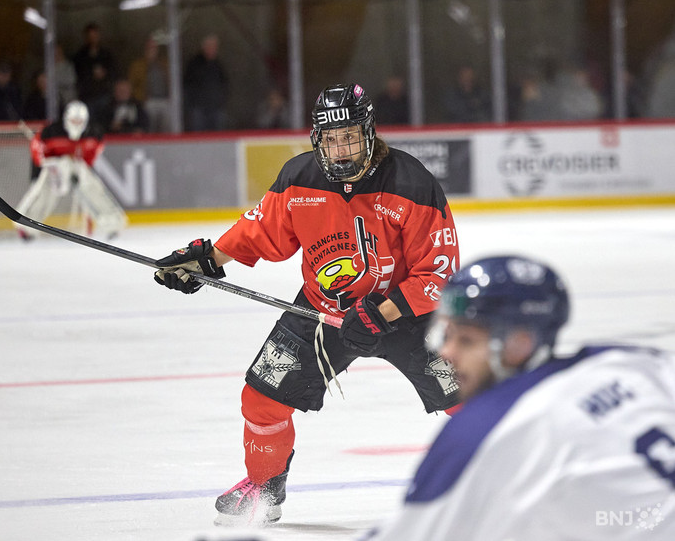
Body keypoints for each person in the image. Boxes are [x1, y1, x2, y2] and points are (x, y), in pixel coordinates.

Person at [153, 83, 462, 526]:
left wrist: (381, 313)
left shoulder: (412, 184)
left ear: (369, 133)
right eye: (331, 139)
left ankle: (513, 478)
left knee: (471, 399)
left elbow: (439, 272)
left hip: (406, 313)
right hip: (324, 310)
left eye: (350, 136)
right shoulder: (300, 179)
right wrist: (205, 260)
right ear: (318, 138)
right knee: (261, 398)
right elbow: (259, 232)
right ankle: (264, 486)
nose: (340, 149)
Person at [365, 255, 675, 541]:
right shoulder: (631, 361)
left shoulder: (489, 427)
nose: (447, 352)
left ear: (520, 344)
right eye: (447, 335)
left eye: (467, 340)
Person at [15, 100, 127, 240]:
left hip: (75, 165)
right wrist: (48, 165)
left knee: (92, 187)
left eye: (80, 121)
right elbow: (37, 150)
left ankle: (112, 222)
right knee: (45, 195)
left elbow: (90, 157)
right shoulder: (51, 132)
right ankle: (27, 226)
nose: (76, 125)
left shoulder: (94, 134)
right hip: (52, 167)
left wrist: (77, 168)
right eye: (74, 121)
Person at [183, 33, 228, 131]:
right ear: (204, 47)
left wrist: (221, 100)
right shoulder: (194, 64)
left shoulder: (217, 65)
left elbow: (224, 83)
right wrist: (192, 103)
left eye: (215, 47)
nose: (213, 49)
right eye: (211, 47)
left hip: (215, 107)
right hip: (198, 108)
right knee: (199, 134)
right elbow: (187, 85)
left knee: (218, 133)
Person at [128, 36, 170, 133]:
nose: (152, 50)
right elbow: (131, 86)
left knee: (169, 116)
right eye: (149, 48)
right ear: (145, 49)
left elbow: (173, 82)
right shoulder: (137, 65)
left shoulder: (164, 64)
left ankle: (167, 143)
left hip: (165, 100)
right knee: (149, 118)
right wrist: (141, 99)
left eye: (154, 48)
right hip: (148, 100)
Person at [72, 22, 116, 101]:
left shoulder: (106, 54)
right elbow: (77, 74)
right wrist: (91, 75)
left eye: (95, 36)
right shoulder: (80, 56)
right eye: (90, 36)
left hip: (104, 94)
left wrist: (104, 73)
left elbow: (113, 71)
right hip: (87, 95)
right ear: (86, 37)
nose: (93, 39)